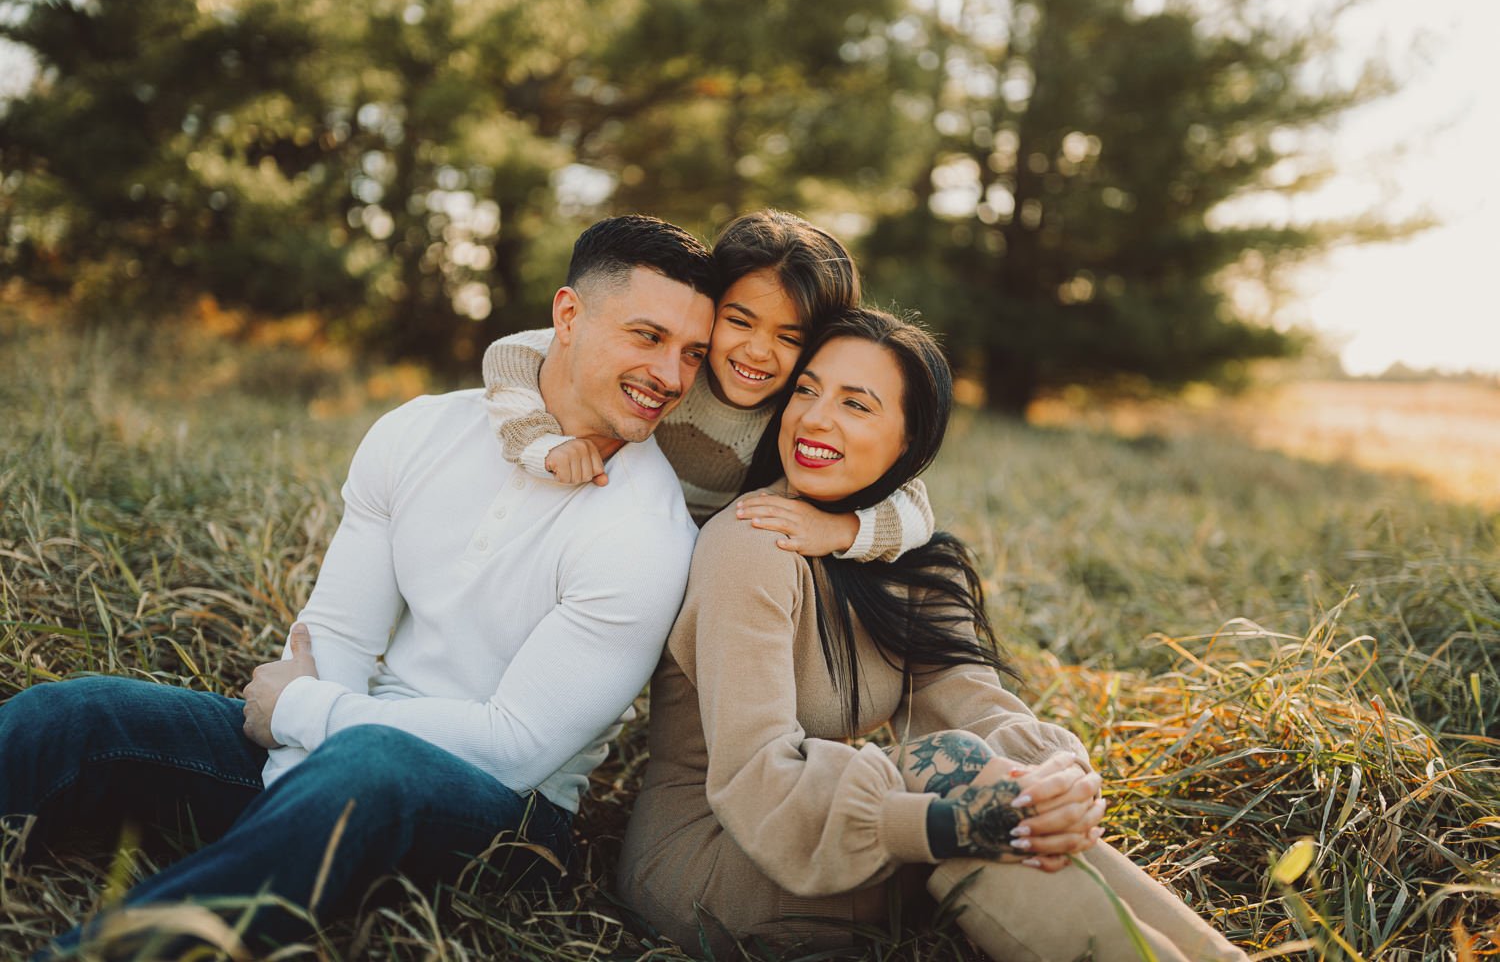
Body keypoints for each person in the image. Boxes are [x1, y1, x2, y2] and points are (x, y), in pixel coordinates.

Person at [0, 215, 715, 958]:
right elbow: (335, 635)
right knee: (76, 713)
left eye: (693, 353)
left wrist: (305, 712)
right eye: (647, 336)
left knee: (365, 768)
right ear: (568, 315)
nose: (671, 376)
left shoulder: (646, 535)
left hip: (505, 821)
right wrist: (294, 771)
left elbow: (515, 751)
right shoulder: (421, 432)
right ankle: (280, 838)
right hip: (333, 736)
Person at [618, 308, 1249, 961]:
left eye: (856, 405)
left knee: (991, 789)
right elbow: (756, 779)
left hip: (830, 833)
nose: (813, 418)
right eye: (806, 390)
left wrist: (1060, 777)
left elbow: (974, 702)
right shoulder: (751, 546)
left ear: (909, 442)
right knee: (969, 785)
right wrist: (951, 824)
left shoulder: (908, 560)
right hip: (716, 857)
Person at [481, 209, 935, 562]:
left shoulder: (796, 416)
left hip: (705, 563)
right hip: (611, 533)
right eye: (739, 321)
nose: (758, 351)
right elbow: (512, 352)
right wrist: (536, 440)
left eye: (789, 338)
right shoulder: (674, 369)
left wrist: (840, 532)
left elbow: (915, 508)